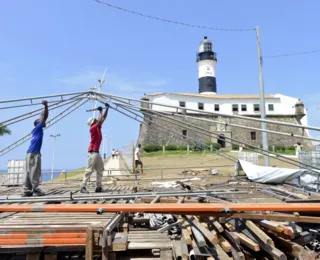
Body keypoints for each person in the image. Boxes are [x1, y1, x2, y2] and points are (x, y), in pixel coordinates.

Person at [81, 103, 109, 194]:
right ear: (93, 122)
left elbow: (103, 118)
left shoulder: (98, 127)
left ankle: (98, 187)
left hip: (97, 153)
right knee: (89, 170)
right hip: (92, 153)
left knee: (100, 169)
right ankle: (83, 186)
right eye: (95, 120)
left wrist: (106, 109)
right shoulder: (92, 128)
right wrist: (100, 111)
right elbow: (100, 120)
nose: (97, 119)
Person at [23, 100, 49, 197]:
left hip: (29, 153)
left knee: (28, 171)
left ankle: (27, 190)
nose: (45, 123)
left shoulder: (35, 130)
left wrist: (42, 114)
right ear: (39, 123)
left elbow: (43, 118)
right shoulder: (38, 128)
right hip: (34, 153)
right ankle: (35, 190)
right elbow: (44, 117)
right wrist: (46, 106)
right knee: (35, 171)